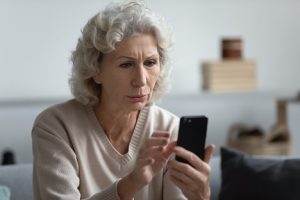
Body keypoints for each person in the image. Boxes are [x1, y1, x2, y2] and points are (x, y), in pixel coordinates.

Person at [31, 0, 215, 199]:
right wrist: (132, 183)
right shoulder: (56, 127)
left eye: (151, 63)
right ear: (95, 71)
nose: (141, 80)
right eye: (126, 65)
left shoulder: (170, 128)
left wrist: (201, 196)